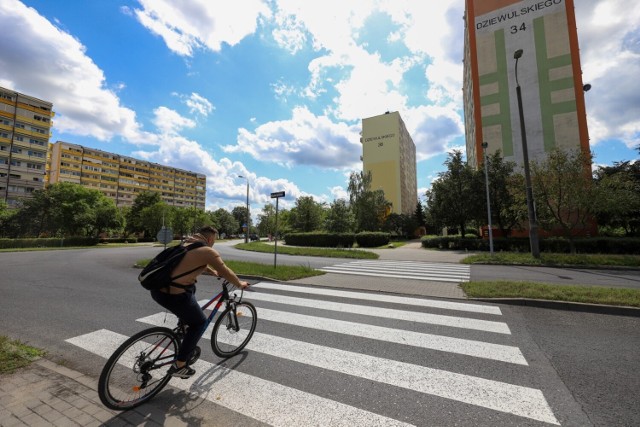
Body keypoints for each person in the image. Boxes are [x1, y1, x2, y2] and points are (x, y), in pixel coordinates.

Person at [150, 225, 249, 379]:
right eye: (214, 241)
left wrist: (210, 271)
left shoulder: (187, 243)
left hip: (158, 290)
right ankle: (180, 364)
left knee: (191, 291)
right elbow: (225, 270)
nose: (213, 243)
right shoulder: (208, 251)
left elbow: (191, 261)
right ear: (210, 239)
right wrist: (239, 283)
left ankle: (183, 327)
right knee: (200, 323)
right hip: (174, 295)